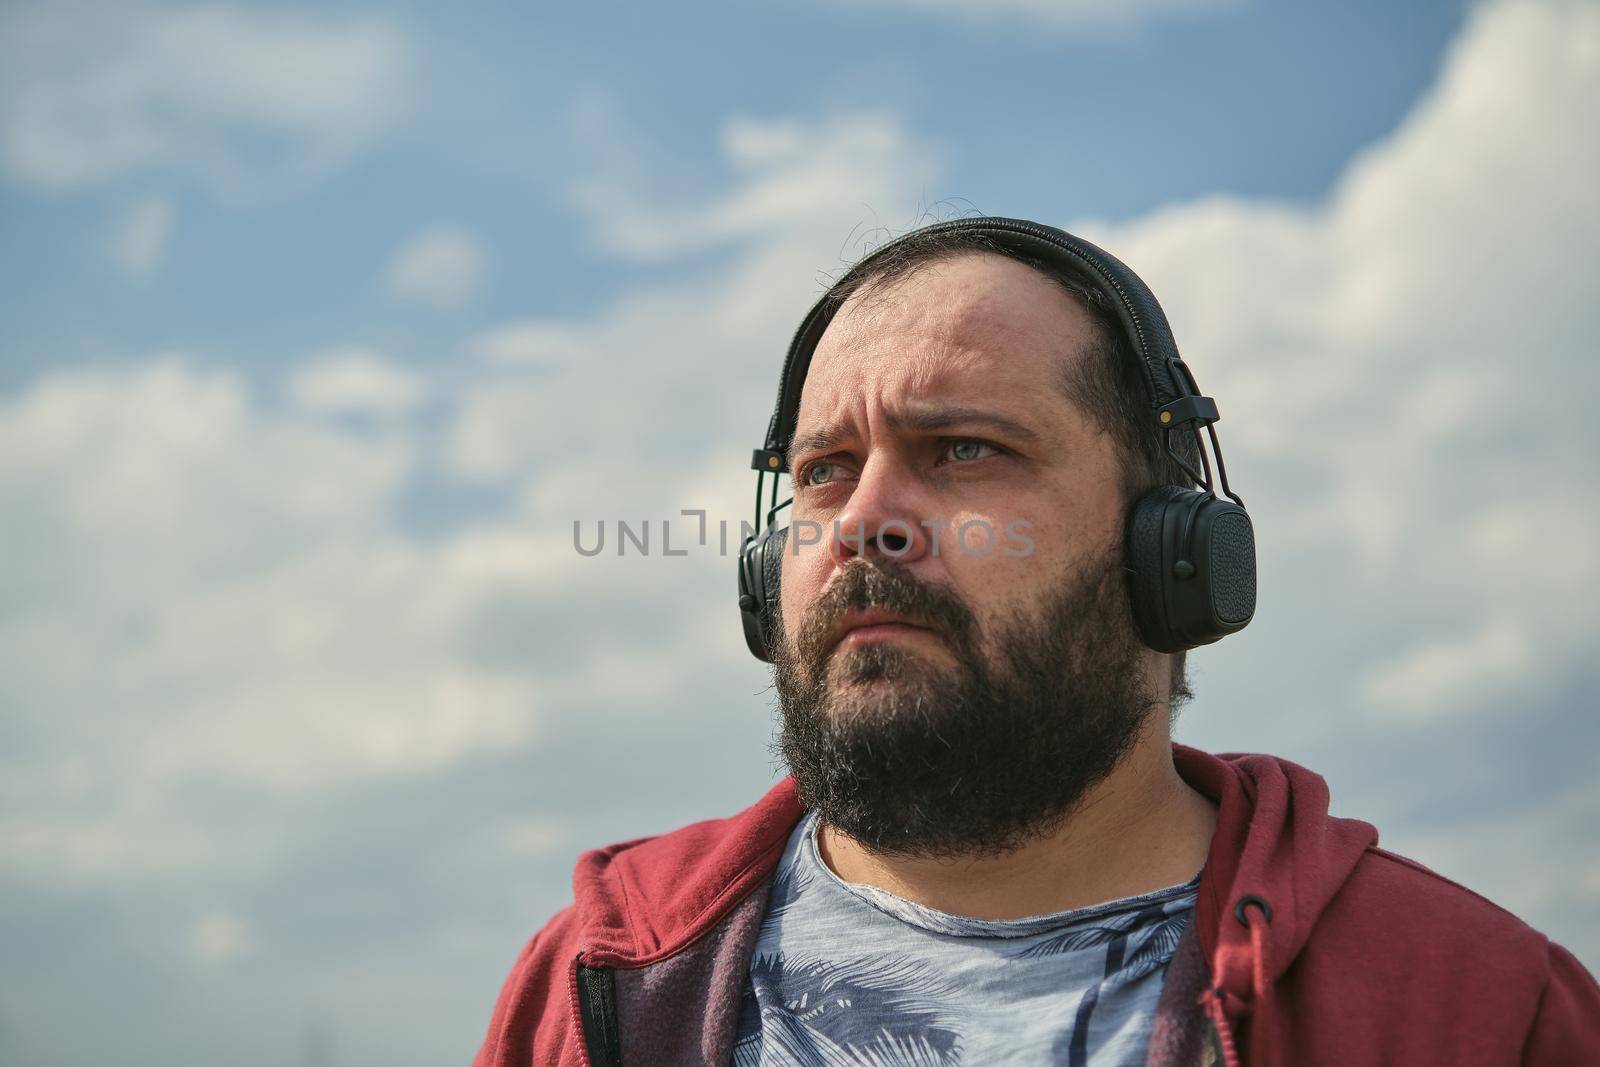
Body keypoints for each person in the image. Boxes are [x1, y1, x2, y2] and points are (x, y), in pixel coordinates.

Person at [472, 218, 1600, 1066]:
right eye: (823, 472)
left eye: (965, 449)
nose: (865, 518)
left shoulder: (1467, 1003)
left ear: (1169, 551)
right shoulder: (595, 980)